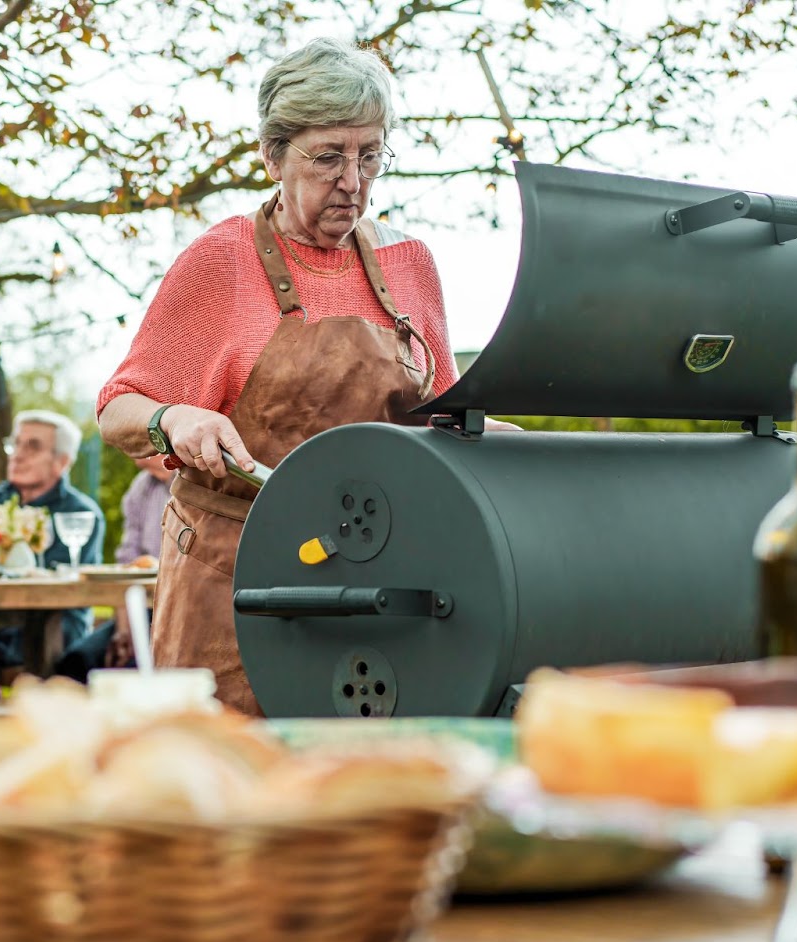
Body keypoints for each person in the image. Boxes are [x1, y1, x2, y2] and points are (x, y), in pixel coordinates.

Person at [98, 38, 515, 716]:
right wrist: (174, 417)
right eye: (328, 157)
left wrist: (504, 438)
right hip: (235, 587)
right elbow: (118, 408)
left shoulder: (411, 267)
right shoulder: (220, 263)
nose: (353, 181)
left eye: (370, 154)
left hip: (379, 586)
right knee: (230, 787)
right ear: (272, 156)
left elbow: (440, 421)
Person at [0, 410, 106, 678]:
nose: (17, 455)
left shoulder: (80, 514)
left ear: (62, 462)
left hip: (53, 629)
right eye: (16, 443)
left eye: (32, 446)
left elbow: (59, 591)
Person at [54, 454, 172, 680]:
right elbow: (128, 563)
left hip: (180, 613)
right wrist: (123, 626)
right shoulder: (141, 487)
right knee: (76, 662)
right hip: (141, 609)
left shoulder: (196, 483)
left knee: (134, 669)